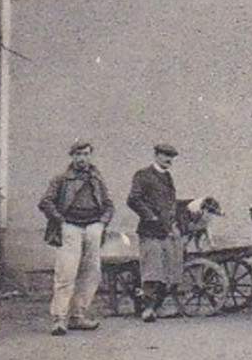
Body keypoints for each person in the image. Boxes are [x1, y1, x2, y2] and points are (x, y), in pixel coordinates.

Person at [38, 140, 114, 335]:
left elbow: (108, 204)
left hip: (93, 227)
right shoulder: (61, 179)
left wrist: (102, 223)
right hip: (70, 227)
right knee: (66, 273)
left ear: (91, 156)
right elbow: (45, 202)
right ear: (72, 156)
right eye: (78, 154)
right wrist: (61, 221)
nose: (82, 158)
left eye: (86, 154)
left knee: (91, 273)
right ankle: (59, 319)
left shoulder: (97, 179)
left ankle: (78, 316)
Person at [126, 143, 182, 323]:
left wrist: (172, 222)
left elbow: (170, 204)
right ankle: (147, 308)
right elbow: (133, 199)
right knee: (152, 270)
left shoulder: (167, 177)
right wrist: (150, 216)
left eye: (171, 157)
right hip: (150, 231)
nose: (168, 160)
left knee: (169, 268)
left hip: (166, 231)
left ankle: (160, 306)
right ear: (156, 155)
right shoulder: (143, 175)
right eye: (165, 155)